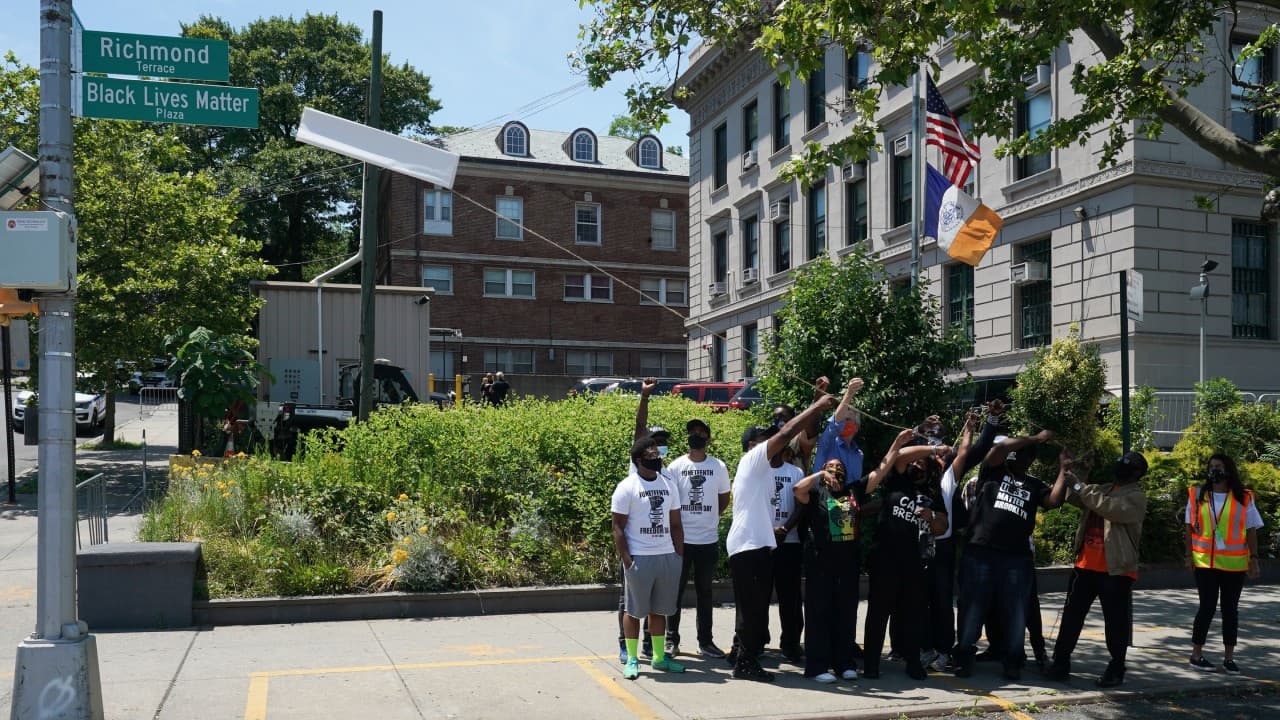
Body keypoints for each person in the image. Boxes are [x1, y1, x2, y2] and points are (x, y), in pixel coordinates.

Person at [726, 392, 838, 682]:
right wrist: (816, 405)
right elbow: (787, 432)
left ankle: (745, 657)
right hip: (747, 546)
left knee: (755, 608)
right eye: (765, 439)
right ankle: (745, 661)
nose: (772, 441)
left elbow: (797, 449)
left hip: (760, 545)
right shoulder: (752, 461)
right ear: (752, 446)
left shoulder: (768, 471)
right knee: (752, 609)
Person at [953, 429, 1066, 682]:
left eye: (1023, 453)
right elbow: (999, 449)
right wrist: (1035, 438)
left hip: (1016, 558)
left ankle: (1013, 660)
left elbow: (1054, 501)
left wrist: (1064, 470)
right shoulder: (993, 472)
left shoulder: (1034, 484)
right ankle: (964, 657)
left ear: (1031, 460)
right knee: (973, 608)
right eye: (1014, 451)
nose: (1015, 455)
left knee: (1016, 611)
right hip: (980, 551)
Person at [1045, 451, 1149, 688]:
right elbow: (1075, 498)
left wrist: (1080, 485)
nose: (1121, 465)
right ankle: (1060, 663)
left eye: (1128, 464)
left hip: (1116, 570)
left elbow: (1109, 508)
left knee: (1115, 623)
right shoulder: (1103, 488)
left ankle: (1116, 668)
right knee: (1071, 618)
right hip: (1085, 566)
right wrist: (1080, 471)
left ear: (1138, 473)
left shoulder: (1136, 497)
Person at [861, 427, 950, 681]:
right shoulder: (898, 480)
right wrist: (933, 448)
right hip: (885, 557)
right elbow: (899, 455)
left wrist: (931, 517)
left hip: (914, 562)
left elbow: (942, 527)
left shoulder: (932, 495)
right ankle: (871, 664)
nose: (915, 466)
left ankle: (913, 662)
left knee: (913, 614)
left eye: (921, 464)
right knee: (878, 612)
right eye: (915, 462)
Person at [612, 435, 686, 679]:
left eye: (658, 454)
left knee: (659, 611)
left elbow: (676, 524)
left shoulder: (669, 485)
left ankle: (659, 657)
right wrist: (628, 561)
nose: (657, 458)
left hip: (666, 556)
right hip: (640, 557)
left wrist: (678, 555)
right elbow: (617, 527)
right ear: (638, 460)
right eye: (651, 455)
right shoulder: (627, 487)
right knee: (633, 611)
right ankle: (632, 659)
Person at [1185, 453, 1264, 675]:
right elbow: (1188, 528)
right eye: (1211, 466)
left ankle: (1229, 659)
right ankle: (1196, 655)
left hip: (1234, 564)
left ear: (1228, 469)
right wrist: (1188, 555)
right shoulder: (1198, 495)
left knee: (1230, 610)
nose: (1214, 470)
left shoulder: (1243, 497)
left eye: (1218, 466)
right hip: (1205, 563)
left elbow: (1251, 530)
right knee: (1207, 608)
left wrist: (1254, 558)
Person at [665, 418, 731, 659]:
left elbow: (724, 498)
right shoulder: (675, 466)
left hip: (707, 539)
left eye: (701, 432)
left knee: (705, 592)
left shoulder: (718, 466)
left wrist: (709, 517)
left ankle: (705, 641)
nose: (696, 435)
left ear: (708, 438)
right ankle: (671, 640)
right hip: (681, 540)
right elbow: (670, 501)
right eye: (692, 432)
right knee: (675, 591)